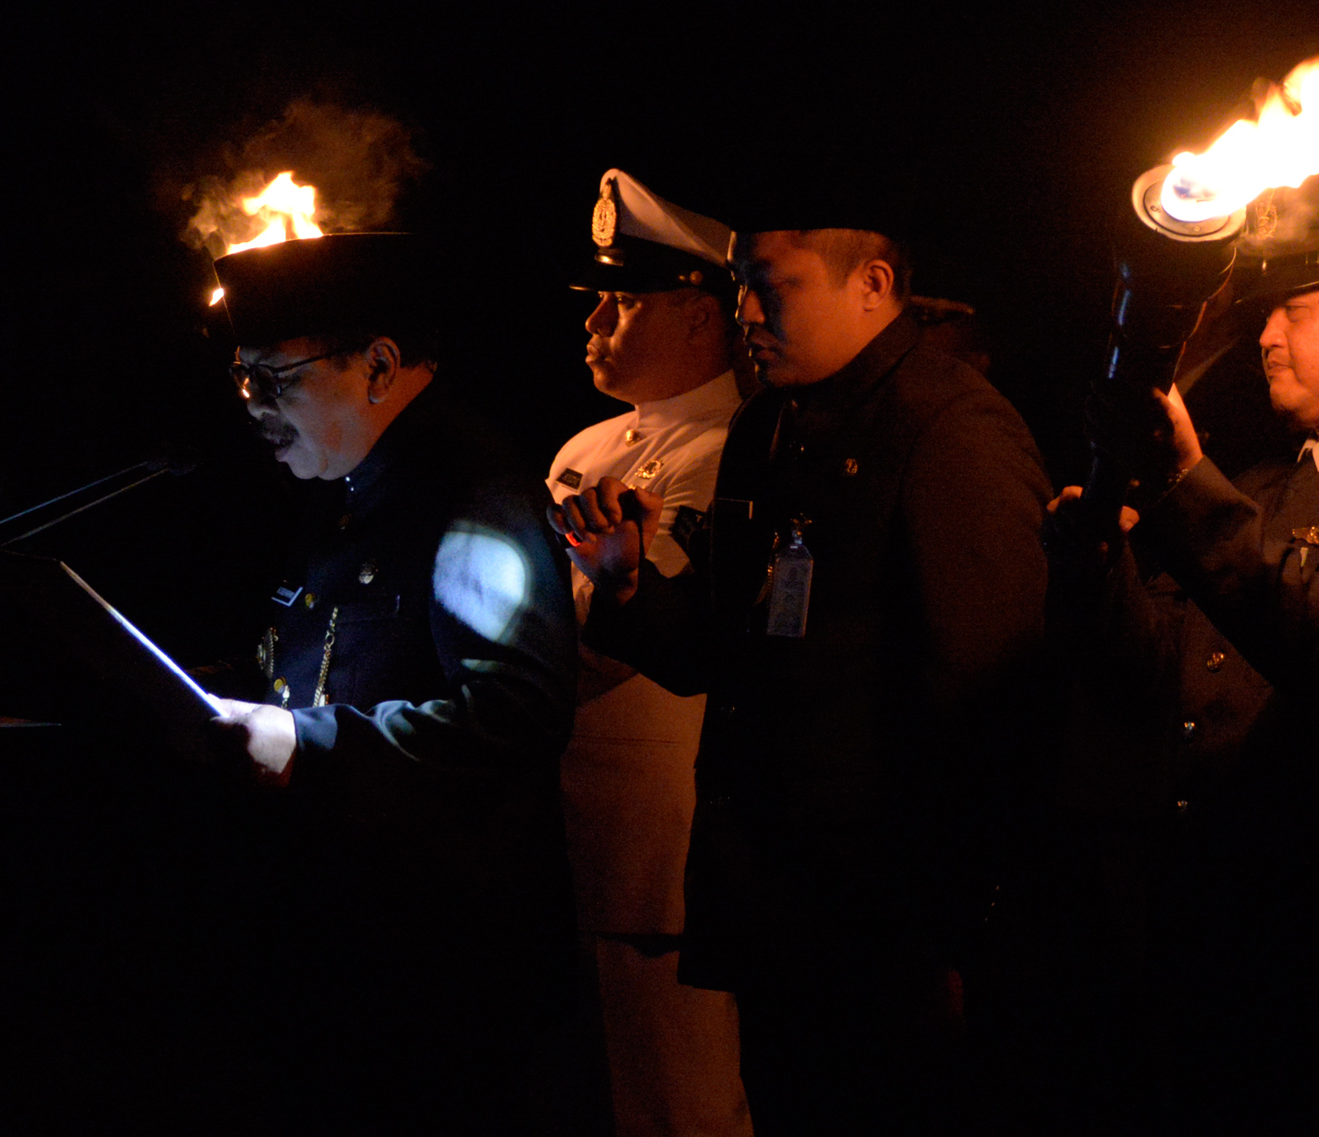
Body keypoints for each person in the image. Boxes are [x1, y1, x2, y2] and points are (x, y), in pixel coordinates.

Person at [551, 193, 1051, 1135]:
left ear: (873, 285)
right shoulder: (771, 427)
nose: (745, 313)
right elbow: (728, 651)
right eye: (740, 286)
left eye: (768, 287)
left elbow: (986, 698)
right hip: (776, 907)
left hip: (881, 924)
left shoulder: (951, 428)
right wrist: (624, 589)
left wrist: (950, 933)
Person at [1054, 171, 1319, 1130]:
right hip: (1205, 918)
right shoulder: (1263, 485)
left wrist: (1188, 483)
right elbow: (1165, 673)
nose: (1266, 335)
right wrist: (1096, 562)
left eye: (1299, 307)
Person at [201, 231, 579, 1131]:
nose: (254, 405)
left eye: (278, 378)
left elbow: (514, 712)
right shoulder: (348, 491)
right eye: (244, 377)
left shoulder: (469, 493)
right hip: (346, 949)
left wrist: (308, 742)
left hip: (439, 970)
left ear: (379, 365)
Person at [549, 170, 753, 1137]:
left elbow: (608, 640)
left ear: (699, 318)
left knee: (683, 1103)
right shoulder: (589, 446)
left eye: (625, 301)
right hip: (572, 841)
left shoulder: (733, 448)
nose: (595, 320)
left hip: (655, 858)